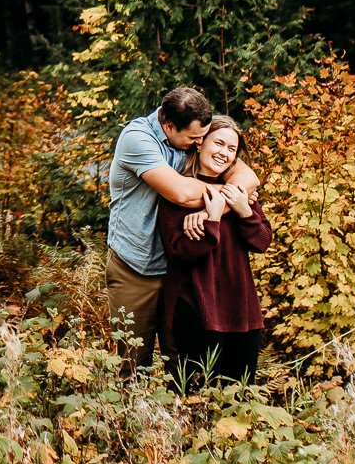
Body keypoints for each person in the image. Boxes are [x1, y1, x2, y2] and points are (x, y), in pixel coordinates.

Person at [105, 85, 259, 368]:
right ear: (169, 125)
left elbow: (247, 174)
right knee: (132, 360)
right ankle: (131, 411)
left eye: (204, 136)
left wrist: (227, 204)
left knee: (182, 360)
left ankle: (179, 412)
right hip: (137, 266)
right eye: (194, 138)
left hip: (179, 269)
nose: (200, 143)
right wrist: (224, 203)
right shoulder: (138, 139)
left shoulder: (191, 133)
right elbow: (179, 192)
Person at [157, 115, 272, 385]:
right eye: (218, 143)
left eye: (231, 149)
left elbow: (262, 241)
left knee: (241, 395)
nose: (224, 153)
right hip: (196, 307)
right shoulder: (180, 191)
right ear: (200, 144)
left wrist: (245, 211)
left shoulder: (239, 192)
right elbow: (179, 253)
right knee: (196, 394)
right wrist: (212, 220)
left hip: (240, 307)